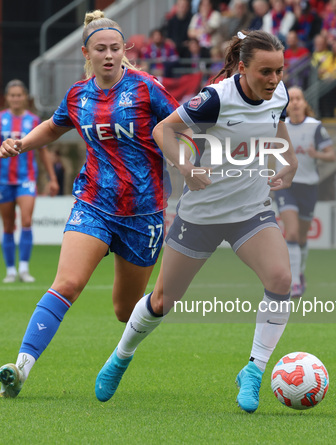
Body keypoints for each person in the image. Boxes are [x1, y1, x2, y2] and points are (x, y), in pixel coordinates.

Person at [94, 29, 298, 414]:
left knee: (281, 280)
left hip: (251, 211)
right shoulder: (216, 98)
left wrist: (289, 164)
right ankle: (121, 356)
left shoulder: (280, 93)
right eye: (265, 72)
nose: (273, 80)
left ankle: (254, 370)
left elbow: (278, 128)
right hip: (201, 216)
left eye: (279, 71)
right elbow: (163, 130)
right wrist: (185, 167)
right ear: (242, 67)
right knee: (162, 300)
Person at [0, 10, 180, 398]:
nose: (110, 55)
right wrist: (21, 144)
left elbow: (184, 123)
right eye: (101, 49)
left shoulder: (147, 88)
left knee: (125, 310)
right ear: (87, 53)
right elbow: (54, 125)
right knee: (67, 283)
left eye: (116, 48)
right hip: (93, 203)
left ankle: (122, 355)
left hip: (143, 215)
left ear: (124, 50)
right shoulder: (78, 95)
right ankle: (21, 367)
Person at [0, 79, 59, 283]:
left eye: (19, 95)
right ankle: (10, 270)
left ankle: (24, 268)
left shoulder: (33, 121)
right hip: (3, 180)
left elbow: (43, 150)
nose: (16, 98)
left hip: (26, 178)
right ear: (7, 98)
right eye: (12, 95)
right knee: (7, 225)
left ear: (25, 98)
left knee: (25, 220)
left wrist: (52, 178)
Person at [274, 87, 336, 298]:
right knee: (290, 233)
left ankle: (299, 273)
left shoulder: (315, 127)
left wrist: (316, 153)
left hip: (309, 186)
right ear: (286, 105)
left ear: (304, 103)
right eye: (291, 100)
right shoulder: (280, 126)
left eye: (299, 98)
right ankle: (293, 281)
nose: (296, 103)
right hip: (287, 185)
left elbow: (331, 155)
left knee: (301, 237)